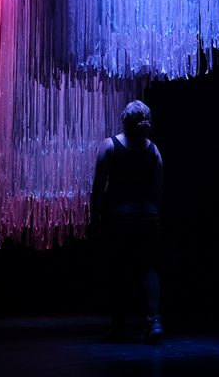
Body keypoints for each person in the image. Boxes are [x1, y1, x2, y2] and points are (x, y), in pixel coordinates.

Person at [90, 100, 164, 344]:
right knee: (148, 268)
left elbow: (98, 187)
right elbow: (158, 188)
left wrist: (95, 216)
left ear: (124, 119)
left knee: (117, 270)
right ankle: (153, 321)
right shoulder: (153, 150)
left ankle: (118, 325)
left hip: (118, 218)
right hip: (147, 217)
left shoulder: (109, 146)